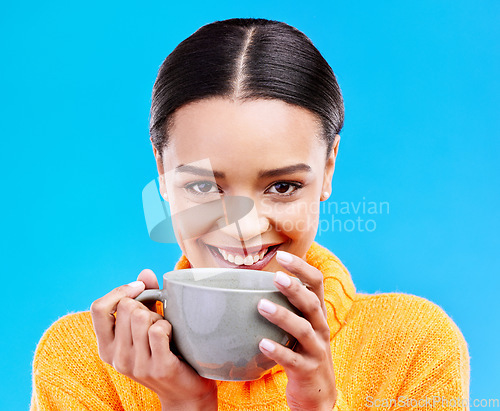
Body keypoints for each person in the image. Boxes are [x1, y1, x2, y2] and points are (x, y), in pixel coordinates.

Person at [30, 18, 470, 410]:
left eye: (282, 186)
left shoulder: (414, 344)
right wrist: (187, 406)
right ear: (162, 171)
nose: (243, 229)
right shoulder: (84, 360)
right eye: (204, 186)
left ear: (328, 167)